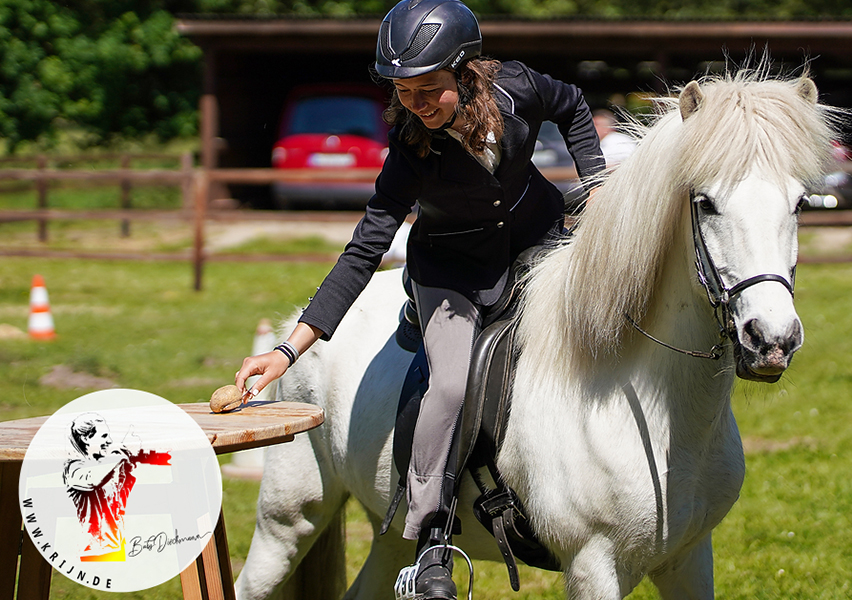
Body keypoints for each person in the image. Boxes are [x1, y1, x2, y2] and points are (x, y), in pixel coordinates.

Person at [234, 0, 605, 597]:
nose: (419, 105)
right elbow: (362, 253)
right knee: (452, 384)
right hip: (450, 274)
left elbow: (575, 107)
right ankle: (432, 538)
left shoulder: (518, 88)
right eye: (405, 93)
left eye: (430, 89)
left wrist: (597, 187)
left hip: (540, 243)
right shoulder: (409, 151)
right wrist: (287, 351)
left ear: (465, 72)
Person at [63, 414, 171, 561]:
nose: (109, 441)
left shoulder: (104, 464)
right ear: (86, 438)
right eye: (104, 436)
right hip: (93, 549)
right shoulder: (74, 467)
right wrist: (117, 456)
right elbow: (92, 480)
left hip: (114, 545)